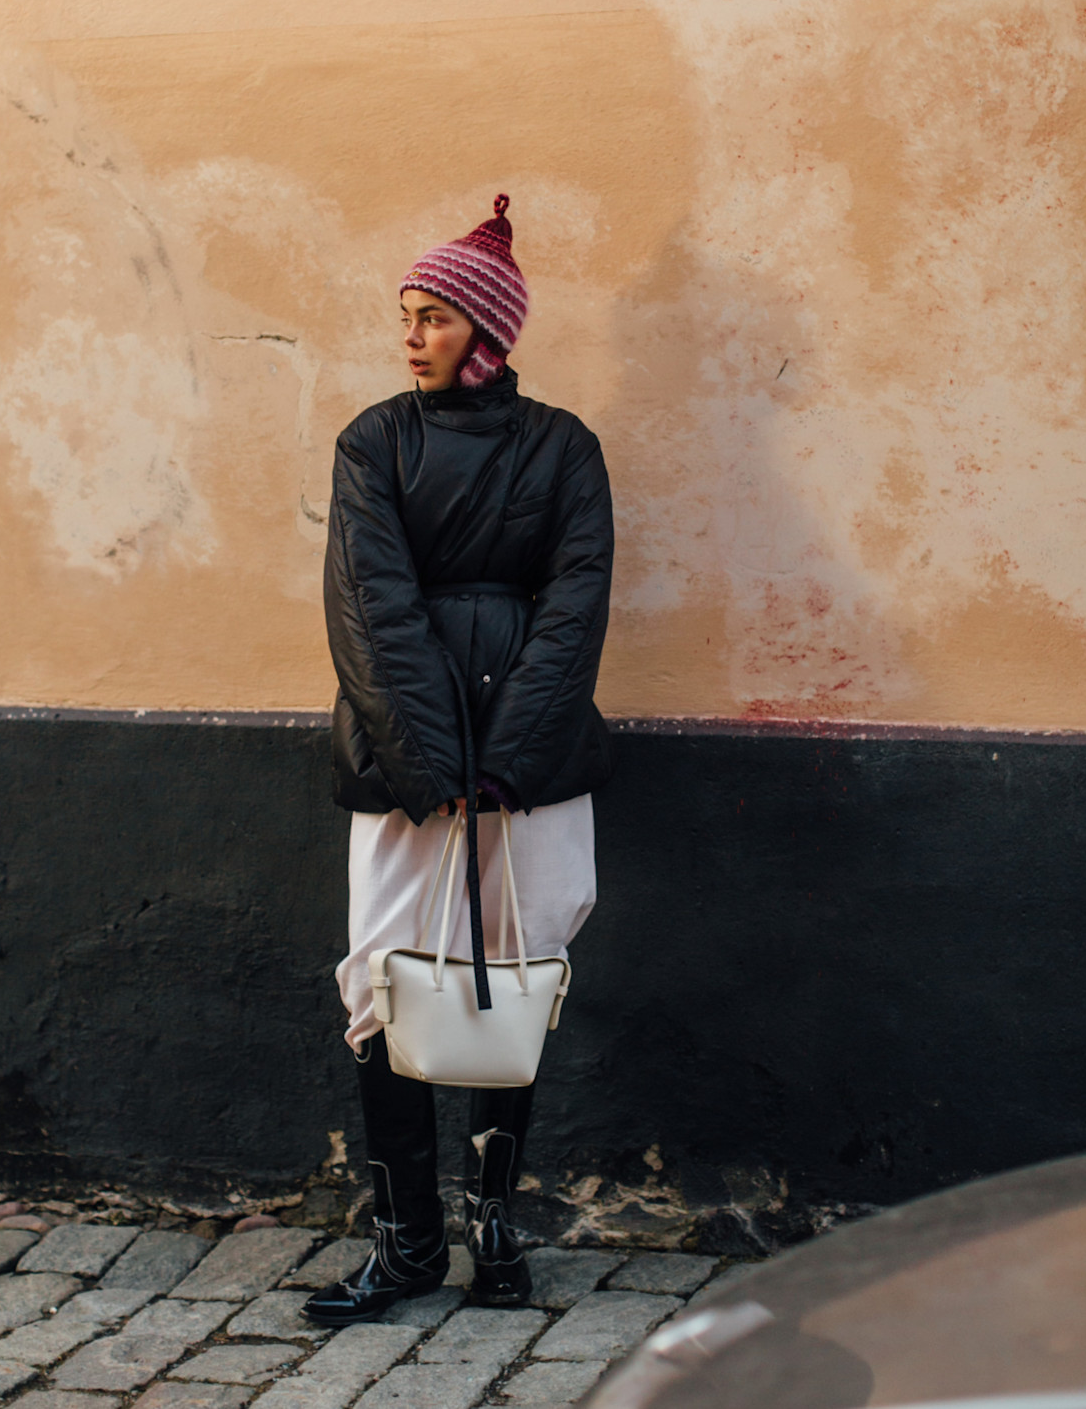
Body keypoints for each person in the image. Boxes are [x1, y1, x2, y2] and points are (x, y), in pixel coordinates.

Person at [305, 194, 616, 1326]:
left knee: (516, 972)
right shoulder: (373, 441)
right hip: (402, 769)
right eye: (406, 314)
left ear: (486, 333)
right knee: (384, 979)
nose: (410, 335)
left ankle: (495, 1231)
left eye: (433, 315)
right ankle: (405, 1242)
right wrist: (434, 763)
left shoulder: (565, 449)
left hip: (531, 774)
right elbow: (371, 608)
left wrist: (506, 763)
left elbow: (575, 609)